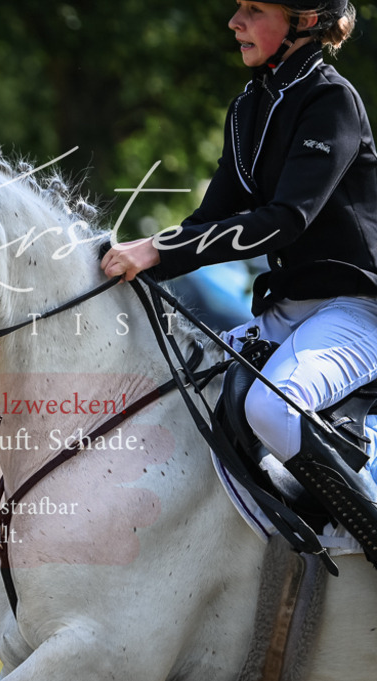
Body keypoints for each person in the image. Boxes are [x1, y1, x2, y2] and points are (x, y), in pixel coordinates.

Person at [100, 1, 377, 560]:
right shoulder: (249, 107)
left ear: (303, 20)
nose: (234, 21)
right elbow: (208, 222)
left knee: (273, 408)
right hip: (288, 309)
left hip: (358, 309)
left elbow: (285, 220)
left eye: (254, 9)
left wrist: (157, 248)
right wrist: (120, 260)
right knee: (177, 389)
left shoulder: (332, 101)